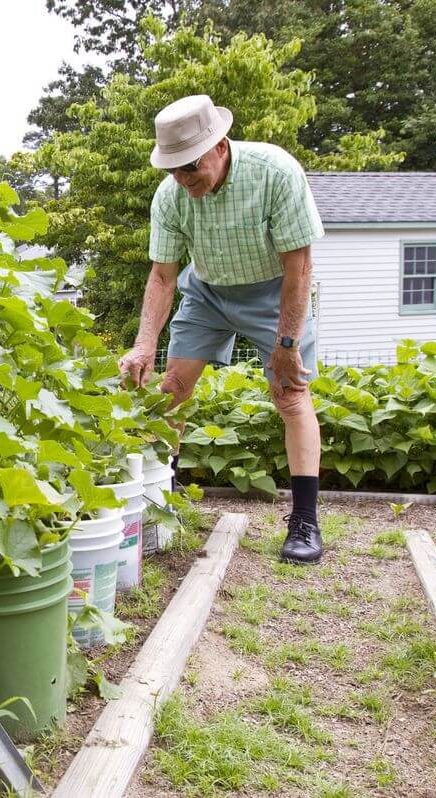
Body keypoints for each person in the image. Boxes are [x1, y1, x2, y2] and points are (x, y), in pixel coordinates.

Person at [118, 95, 325, 564]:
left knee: (291, 395)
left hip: (274, 293)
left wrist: (287, 344)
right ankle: (159, 502)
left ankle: (305, 522)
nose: (182, 179)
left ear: (220, 146)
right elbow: (163, 276)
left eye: (189, 167)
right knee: (168, 390)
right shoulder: (172, 196)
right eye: (173, 169)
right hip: (207, 291)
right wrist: (144, 343)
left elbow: (299, 267)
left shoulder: (275, 172)